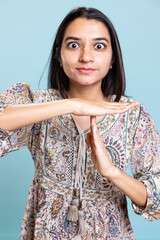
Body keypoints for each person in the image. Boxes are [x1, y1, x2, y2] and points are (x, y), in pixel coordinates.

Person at [0, 7, 159, 240]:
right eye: (74, 45)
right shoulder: (37, 105)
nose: (86, 56)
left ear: (113, 58)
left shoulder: (132, 116)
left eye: (99, 46)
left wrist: (112, 172)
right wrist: (71, 105)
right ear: (58, 54)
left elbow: (155, 196)